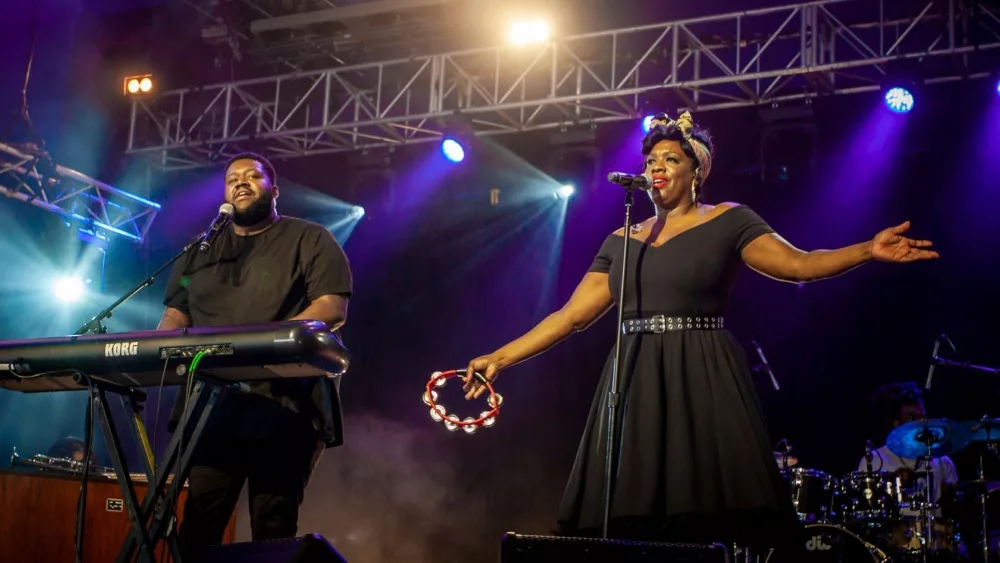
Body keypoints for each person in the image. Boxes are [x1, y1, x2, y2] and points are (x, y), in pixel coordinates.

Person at [463, 111, 939, 550]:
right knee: (632, 517)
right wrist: (499, 358)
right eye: (650, 160)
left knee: (708, 514)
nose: (657, 167)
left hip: (703, 372)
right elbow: (570, 317)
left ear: (697, 170)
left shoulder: (728, 220)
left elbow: (799, 265)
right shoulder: (622, 239)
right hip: (635, 375)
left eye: (670, 158)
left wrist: (866, 250)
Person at [157, 152, 353, 554]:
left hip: (284, 404)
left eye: (253, 176)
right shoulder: (199, 249)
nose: (241, 183)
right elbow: (176, 314)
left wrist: (263, 342)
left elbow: (331, 308)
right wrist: (151, 350)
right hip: (211, 406)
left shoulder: (310, 238)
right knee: (198, 526)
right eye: (232, 179)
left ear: (274, 190)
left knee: (273, 525)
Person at [858, 382, 959, 512]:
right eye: (912, 418)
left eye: (923, 417)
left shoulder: (943, 462)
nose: (920, 423)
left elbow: (956, 513)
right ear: (897, 424)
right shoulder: (874, 461)